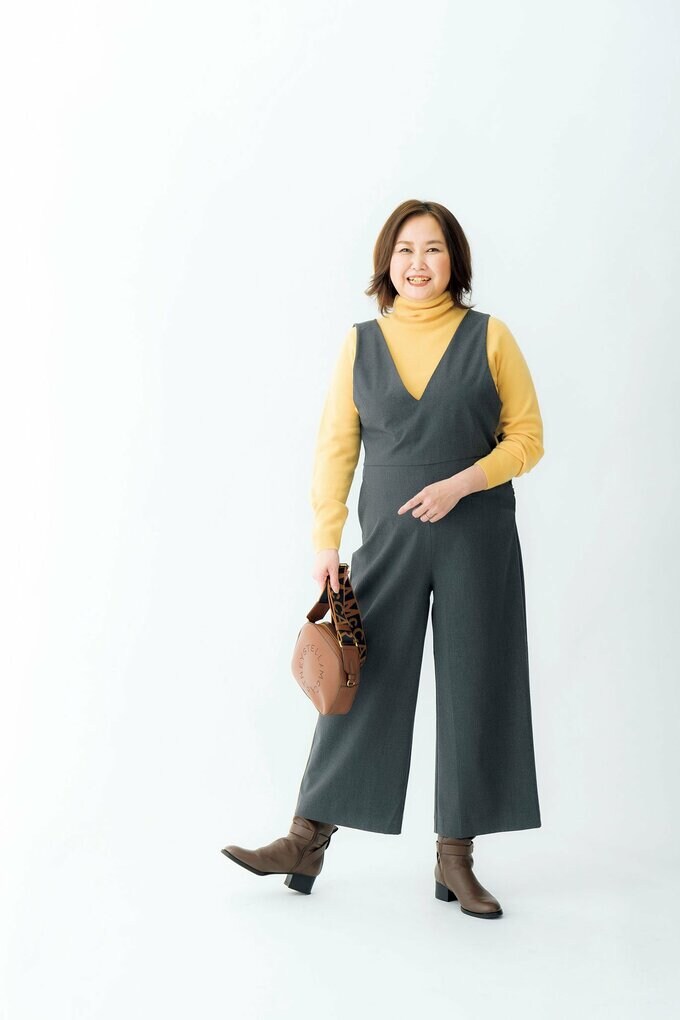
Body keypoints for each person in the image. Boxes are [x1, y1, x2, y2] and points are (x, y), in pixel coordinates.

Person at [222, 199, 544, 919]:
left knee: (476, 684)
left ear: (455, 261)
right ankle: (306, 839)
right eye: (405, 250)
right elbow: (336, 447)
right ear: (386, 262)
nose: (418, 263)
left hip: (477, 533)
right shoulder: (360, 344)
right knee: (359, 678)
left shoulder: (490, 337)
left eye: (433, 249)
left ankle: (455, 859)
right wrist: (326, 541)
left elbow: (528, 438)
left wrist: (461, 483)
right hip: (387, 539)